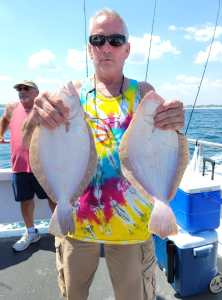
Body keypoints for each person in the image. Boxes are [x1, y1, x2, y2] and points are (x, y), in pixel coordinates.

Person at [23, 9, 184, 300]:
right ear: (89, 49)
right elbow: (39, 142)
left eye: (115, 39)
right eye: (98, 40)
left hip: (132, 227)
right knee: (73, 294)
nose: (106, 47)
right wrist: (39, 117)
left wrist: (175, 125)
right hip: (75, 222)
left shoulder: (144, 93)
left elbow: (162, 145)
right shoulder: (71, 95)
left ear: (127, 49)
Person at [0, 80, 56, 252]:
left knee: (53, 200)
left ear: (36, 92)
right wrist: (1, 134)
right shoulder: (11, 108)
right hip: (20, 165)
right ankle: (31, 233)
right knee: (25, 201)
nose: (22, 91)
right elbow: (4, 120)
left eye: (26, 88)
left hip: (44, 166)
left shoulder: (45, 109)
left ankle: (59, 233)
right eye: (19, 89)